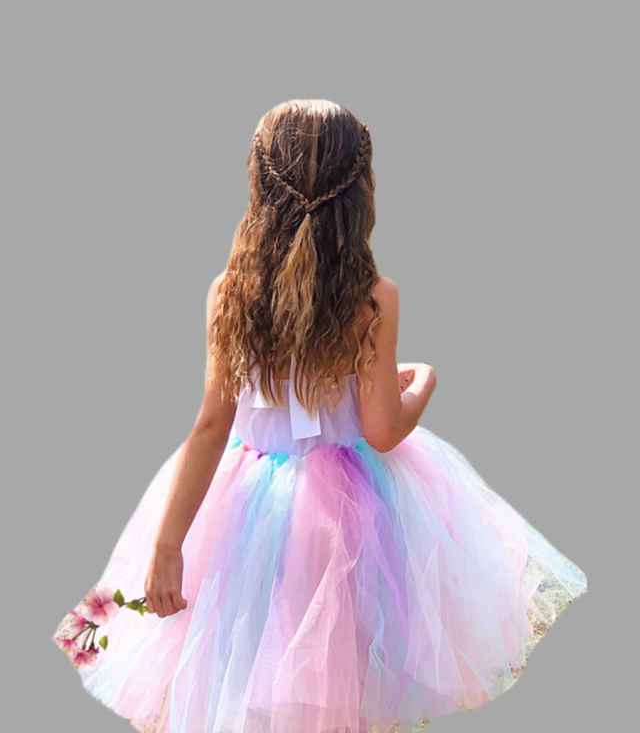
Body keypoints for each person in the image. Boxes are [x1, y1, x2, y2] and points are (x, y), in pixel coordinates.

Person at [52, 99, 587, 733]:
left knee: (244, 665)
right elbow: (383, 430)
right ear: (358, 191)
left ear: (260, 183)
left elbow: (211, 426)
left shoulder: (230, 292)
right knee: (346, 677)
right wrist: (423, 382)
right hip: (352, 521)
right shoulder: (373, 297)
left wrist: (169, 547)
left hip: (241, 515)